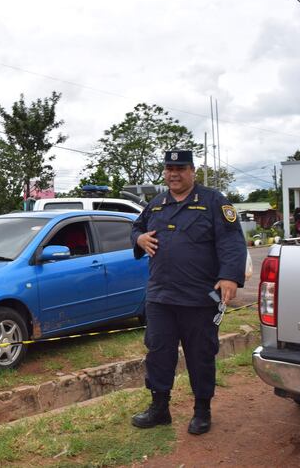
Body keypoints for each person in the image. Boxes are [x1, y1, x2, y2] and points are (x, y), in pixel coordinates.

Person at [130, 150, 246, 435]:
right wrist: (139, 238)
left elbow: (232, 241)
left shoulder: (213, 201)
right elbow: (136, 228)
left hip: (199, 297)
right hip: (160, 296)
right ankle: (160, 409)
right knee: (158, 352)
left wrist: (229, 276)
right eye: (169, 169)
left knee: (200, 354)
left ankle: (202, 410)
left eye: (180, 168)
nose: (173, 174)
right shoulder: (156, 204)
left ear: (192, 170)